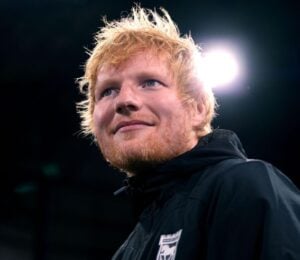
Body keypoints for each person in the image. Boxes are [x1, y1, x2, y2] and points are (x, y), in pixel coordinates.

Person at [77, 6, 300, 260]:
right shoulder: (128, 250)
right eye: (108, 91)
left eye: (150, 82)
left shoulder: (244, 187)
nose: (124, 100)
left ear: (197, 108)